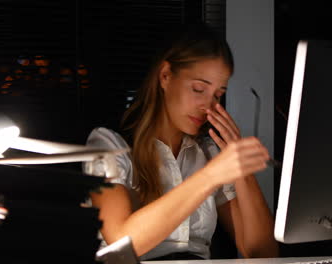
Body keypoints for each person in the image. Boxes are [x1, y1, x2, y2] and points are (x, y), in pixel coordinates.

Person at [84, 24, 279, 260]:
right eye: (199, 89)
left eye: (218, 94)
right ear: (165, 76)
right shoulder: (109, 144)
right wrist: (212, 176)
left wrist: (242, 171)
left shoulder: (206, 152)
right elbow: (122, 241)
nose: (208, 105)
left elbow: (263, 253)